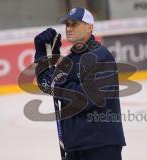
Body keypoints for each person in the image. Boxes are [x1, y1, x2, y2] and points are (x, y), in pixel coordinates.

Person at [34, 7, 126, 160]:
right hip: (75, 147)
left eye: (74, 24)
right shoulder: (69, 59)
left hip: (100, 146)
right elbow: (48, 86)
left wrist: (58, 80)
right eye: (67, 25)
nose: (69, 28)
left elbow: (84, 99)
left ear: (90, 27)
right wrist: (42, 58)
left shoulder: (101, 56)